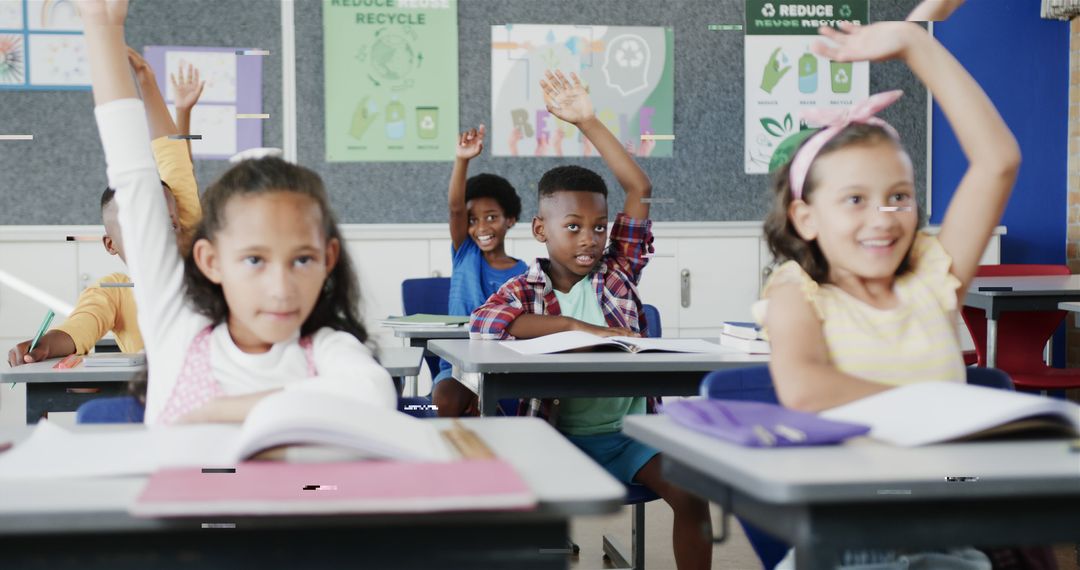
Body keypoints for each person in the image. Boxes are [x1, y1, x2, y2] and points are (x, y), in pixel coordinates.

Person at [756, 21, 1020, 569]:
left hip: (944, 530)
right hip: (848, 537)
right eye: (854, 199)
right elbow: (805, 389)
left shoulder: (932, 278)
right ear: (806, 217)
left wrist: (916, 45)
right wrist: (945, 408)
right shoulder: (797, 289)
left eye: (899, 196)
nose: (884, 218)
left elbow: (997, 161)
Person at [78, 0, 396, 424]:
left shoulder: (326, 348)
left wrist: (217, 412)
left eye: (303, 259)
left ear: (329, 259)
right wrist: (102, 24)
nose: (280, 287)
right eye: (254, 260)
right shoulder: (178, 325)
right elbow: (133, 176)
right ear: (211, 261)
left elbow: (373, 394)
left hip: (305, 493)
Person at [471, 70, 712, 570]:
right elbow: (487, 323)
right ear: (541, 230)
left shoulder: (618, 272)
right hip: (556, 440)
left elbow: (638, 185)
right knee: (522, 514)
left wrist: (587, 121)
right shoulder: (526, 289)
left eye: (599, 227)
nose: (589, 239)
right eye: (573, 227)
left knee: (693, 497)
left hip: (632, 438)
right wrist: (577, 328)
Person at [6, 46, 202, 365]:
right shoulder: (114, 291)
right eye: (141, 229)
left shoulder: (201, 259)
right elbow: (77, 329)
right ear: (111, 244)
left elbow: (174, 161)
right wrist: (45, 346)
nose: (159, 236)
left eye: (169, 224)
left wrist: (147, 81)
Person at [431, 123, 528, 417]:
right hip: (456, 368)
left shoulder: (523, 273)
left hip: (504, 369)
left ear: (509, 219)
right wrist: (462, 159)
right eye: (473, 220)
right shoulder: (466, 253)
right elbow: (455, 209)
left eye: (492, 217)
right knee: (442, 403)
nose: (481, 228)